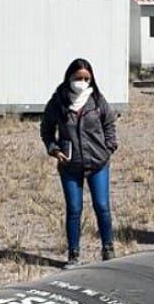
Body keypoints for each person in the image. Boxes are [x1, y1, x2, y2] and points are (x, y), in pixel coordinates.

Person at [40, 58, 118, 266]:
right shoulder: (58, 102)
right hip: (70, 166)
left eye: (86, 78)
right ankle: (73, 254)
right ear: (69, 78)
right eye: (78, 78)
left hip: (98, 163)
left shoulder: (97, 100)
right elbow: (46, 130)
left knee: (102, 206)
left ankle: (108, 249)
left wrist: (109, 147)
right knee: (74, 209)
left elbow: (109, 124)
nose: (82, 82)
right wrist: (54, 149)